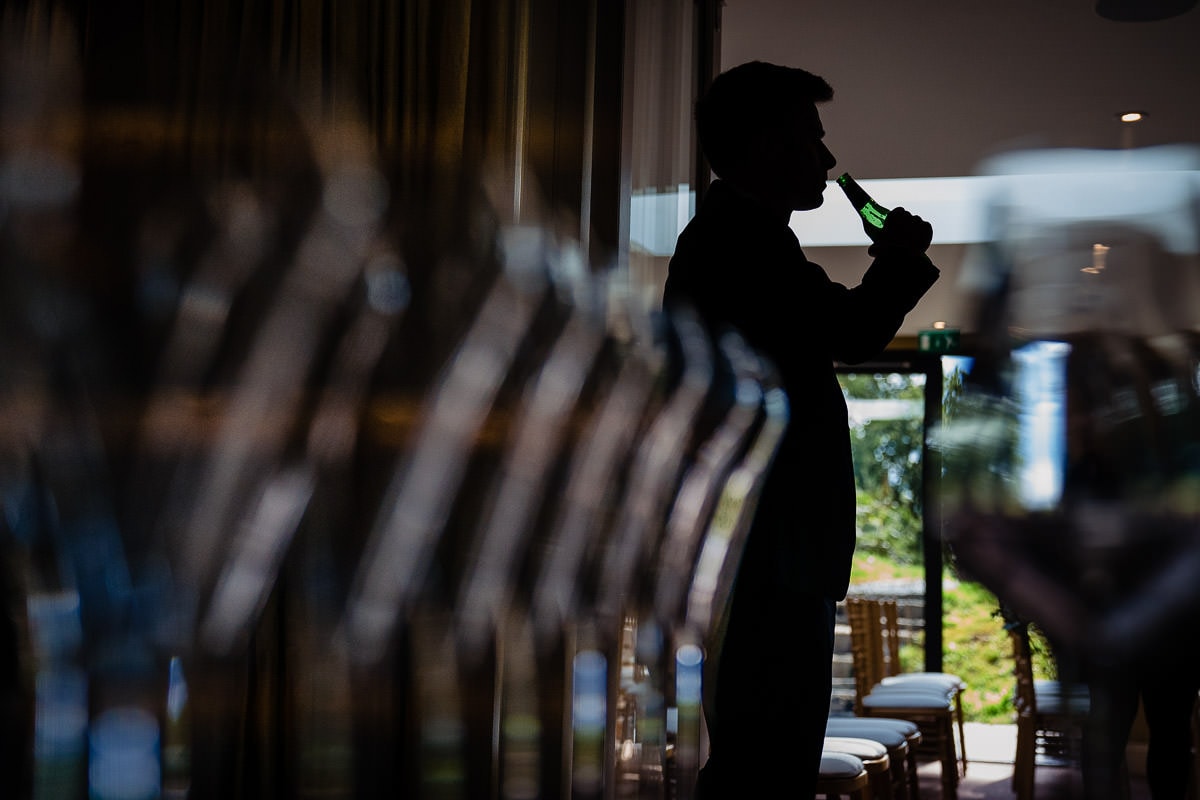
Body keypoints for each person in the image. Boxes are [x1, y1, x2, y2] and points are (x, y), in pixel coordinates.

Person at [662, 60, 941, 797]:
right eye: (809, 139)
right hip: (769, 561)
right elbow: (848, 329)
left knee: (759, 765)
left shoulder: (739, 239)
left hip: (762, 556)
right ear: (763, 147)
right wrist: (902, 262)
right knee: (765, 771)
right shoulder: (740, 241)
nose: (826, 159)